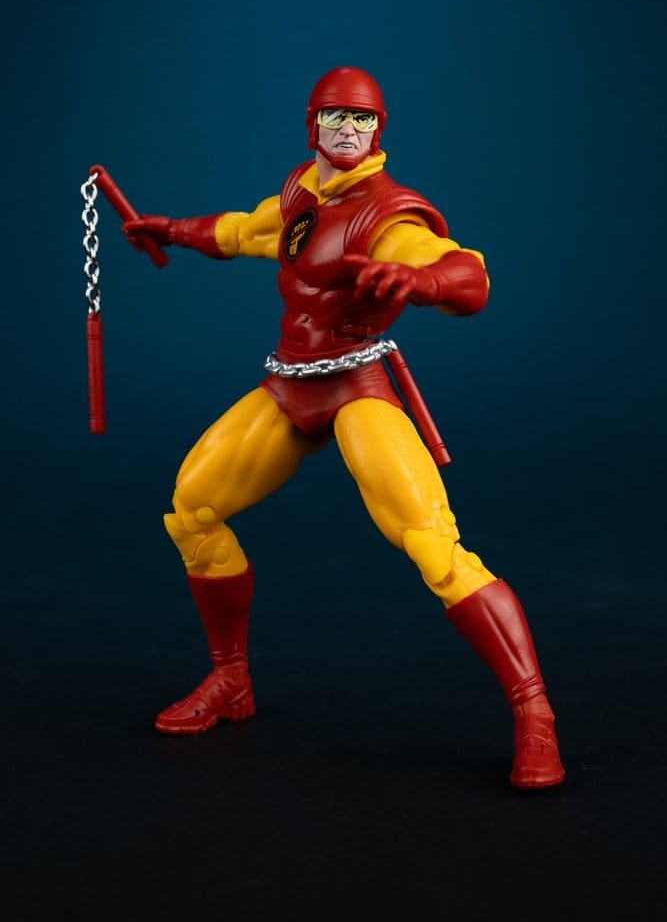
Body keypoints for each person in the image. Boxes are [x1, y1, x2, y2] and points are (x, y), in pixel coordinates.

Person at [122, 66, 565, 789]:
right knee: (192, 510)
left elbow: (467, 275)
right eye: (337, 117)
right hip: (289, 383)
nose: (351, 130)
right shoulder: (303, 190)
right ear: (313, 124)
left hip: (356, 388)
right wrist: (168, 229)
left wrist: (424, 282)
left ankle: (534, 713)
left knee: (433, 545)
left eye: (364, 119)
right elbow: (246, 231)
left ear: (380, 129)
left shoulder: (391, 216)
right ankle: (230, 681)